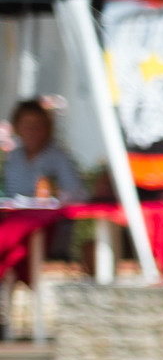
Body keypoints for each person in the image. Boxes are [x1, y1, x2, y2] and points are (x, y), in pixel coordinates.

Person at [4, 100, 88, 270]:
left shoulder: (58, 157)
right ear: (18, 127)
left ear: (47, 128)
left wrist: (56, 193)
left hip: (51, 231)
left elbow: (79, 194)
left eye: (38, 126)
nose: (32, 131)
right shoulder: (14, 157)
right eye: (27, 125)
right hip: (17, 227)